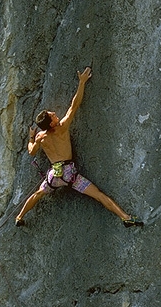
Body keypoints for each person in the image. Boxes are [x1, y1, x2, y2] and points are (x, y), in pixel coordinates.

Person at [15, 67, 143, 228]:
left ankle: (19, 217)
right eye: (52, 115)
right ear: (52, 122)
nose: (55, 113)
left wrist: (31, 136)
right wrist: (82, 82)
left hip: (54, 176)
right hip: (70, 175)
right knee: (98, 195)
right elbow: (74, 106)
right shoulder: (61, 128)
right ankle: (125, 217)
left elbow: (31, 151)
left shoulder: (41, 137)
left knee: (38, 194)